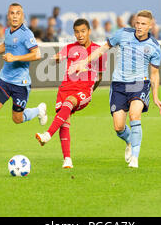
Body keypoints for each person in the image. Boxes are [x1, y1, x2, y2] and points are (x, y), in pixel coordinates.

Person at [68, 10, 161, 168]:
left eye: (143, 24)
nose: (139, 27)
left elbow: (154, 74)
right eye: (137, 23)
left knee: (134, 115)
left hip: (139, 84)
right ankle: (129, 140)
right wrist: (83, 62)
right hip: (119, 84)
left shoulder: (154, 46)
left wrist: (155, 96)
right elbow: (102, 48)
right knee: (118, 127)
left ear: (150, 25)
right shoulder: (122, 34)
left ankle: (135, 157)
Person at [0, 3, 48, 157]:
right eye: (12, 13)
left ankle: (39, 110)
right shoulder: (8, 32)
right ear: (8, 16)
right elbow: (5, 46)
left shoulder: (27, 34)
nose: (15, 16)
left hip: (21, 83)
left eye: (18, 13)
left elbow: (37, 54)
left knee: (17, 119)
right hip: (4, 79)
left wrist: (15, 58)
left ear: (22, 16)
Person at [35, 18, 107, 168]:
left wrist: (91, 90)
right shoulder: (69, 48)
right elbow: (55, 58)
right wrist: (52, 59)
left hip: (82, 91)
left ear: (89, 31)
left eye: (83, 31)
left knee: (69, 102)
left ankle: (47, 134)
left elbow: (100, 75)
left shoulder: (98, 51)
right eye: (76, 32)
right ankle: (67, 160)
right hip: (65, 89)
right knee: (64, 122)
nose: (80, 35)